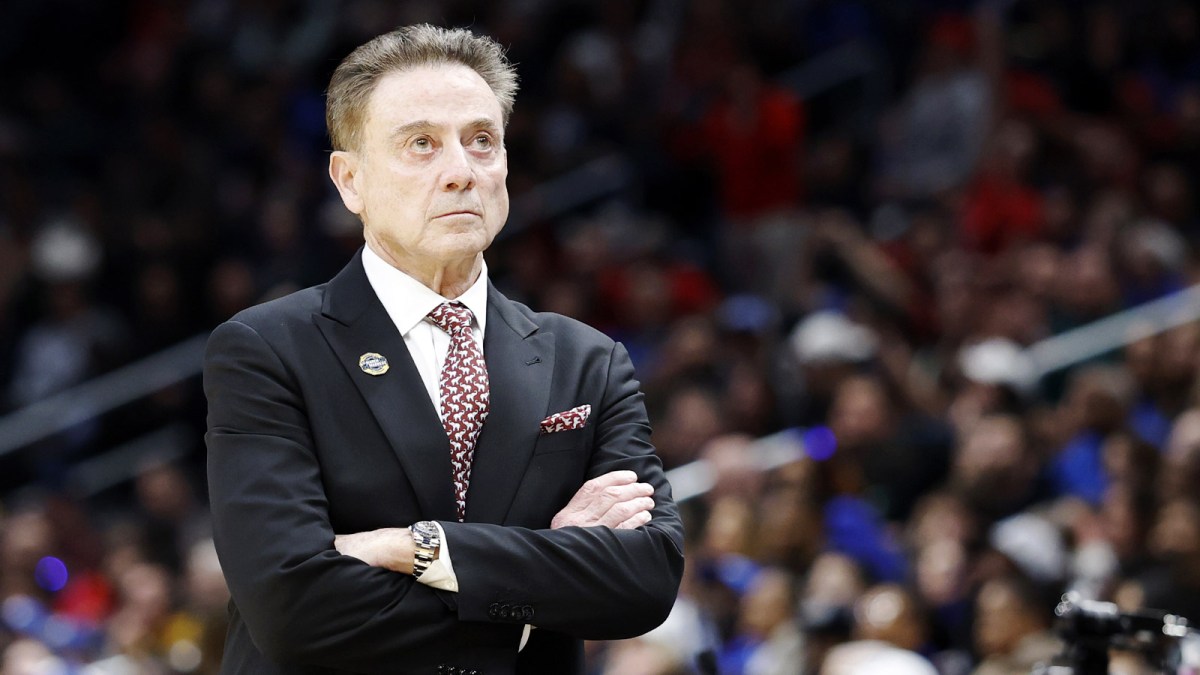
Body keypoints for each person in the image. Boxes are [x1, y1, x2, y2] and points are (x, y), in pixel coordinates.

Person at [203, 24, 684, 675]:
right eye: (421, 145)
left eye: (482, 141)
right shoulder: (265, 350)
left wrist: (417, 548)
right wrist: (537, 589)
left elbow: (646, 580)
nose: (461, 171)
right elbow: (294, 610)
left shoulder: (589, 361)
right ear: (350, 182)